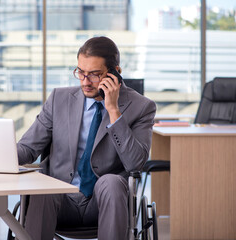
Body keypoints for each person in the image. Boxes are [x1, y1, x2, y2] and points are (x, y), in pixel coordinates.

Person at [17, 36, 156, 240]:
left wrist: (113, 111)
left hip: (104, 204)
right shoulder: (59, 99)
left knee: (111, 182)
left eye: (94, 74)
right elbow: (28, 148)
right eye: (80, 72)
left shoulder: (141, 107)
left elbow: (135, 164)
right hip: (58, 200)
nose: (85, 81)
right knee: (43, 185)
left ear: (115, 72)